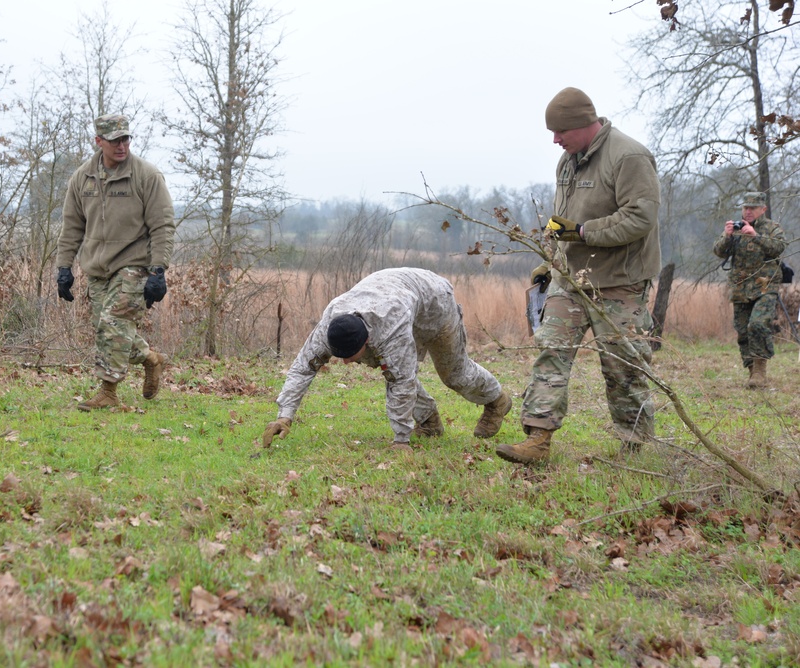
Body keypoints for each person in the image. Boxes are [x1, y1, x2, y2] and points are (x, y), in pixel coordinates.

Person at [496, 87, 661, 465]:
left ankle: (635, 447)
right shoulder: (568, 161)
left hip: (620, 282)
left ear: (583, 125)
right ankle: (537, 440)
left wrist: (584, 232)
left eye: (560, 132)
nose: (555, 140)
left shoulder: (629, 156)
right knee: (551, 352)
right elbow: (560, 222)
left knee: (623, 365)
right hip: (570, 280)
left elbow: (641, 217)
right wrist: (551, 259)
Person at [261, 268, 512, 450]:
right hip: (398, 295)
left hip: (435, 305)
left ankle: (497, 401)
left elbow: (401, 381)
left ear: (367, 341)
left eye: (351, 357)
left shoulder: (390, 326)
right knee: (391, 367)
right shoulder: (330, 325)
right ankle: (429, 423)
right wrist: (285, 414)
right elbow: (302, 369)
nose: (347, 363)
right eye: (341, 357)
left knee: (455, 375)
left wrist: (400, 441)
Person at [55, 113, 175, 411]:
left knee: (113, 324)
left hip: (134, 264)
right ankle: (151, 359)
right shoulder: (82, 178)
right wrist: (63, 267)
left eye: (125, 139)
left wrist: (159, 269)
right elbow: (72, 226)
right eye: (114, 140)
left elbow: (162, 225)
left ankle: (108, 392)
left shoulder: (146, 176)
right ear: (99, 141)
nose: (121, 146)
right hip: (97, 267)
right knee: (108, 329)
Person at [712, 191, 786, 389]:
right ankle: (752, 370)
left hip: (765, 285)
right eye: (745, 207)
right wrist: (727, 236)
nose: (748, 211)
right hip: (740, 287)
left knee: (758, 325)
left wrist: (756, 236)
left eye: (753, 208)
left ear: (763, 209)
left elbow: (778, 247)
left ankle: (760, 370)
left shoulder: (772, 228)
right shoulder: (736, 229)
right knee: (743, 330)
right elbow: (718, 251)